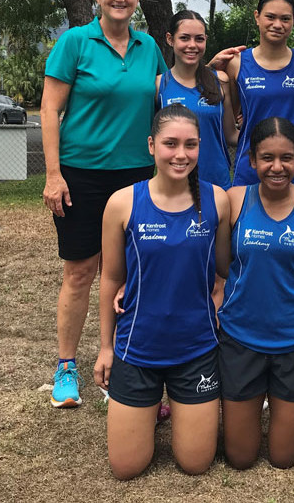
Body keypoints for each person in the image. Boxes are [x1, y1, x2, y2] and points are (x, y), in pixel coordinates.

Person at [40, 0, 167, 408]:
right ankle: (66, 369)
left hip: (135, 176)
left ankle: (124, 366)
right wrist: (54, 175)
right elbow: (49, 110)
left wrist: (210, 67)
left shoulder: (148, 45)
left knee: (132, 276)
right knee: (79, 272)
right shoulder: (75, 42)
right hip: (81, 174)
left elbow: (166, 91)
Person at [92, 104, 231, 479]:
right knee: (126, 468)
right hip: (138, 348)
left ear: (201, 147)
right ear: (152, 145)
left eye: (191, 144)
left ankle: (173, 409)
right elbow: (110, 280)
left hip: (196, 349)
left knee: (196, 463)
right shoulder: (122, 203)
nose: (181, 154)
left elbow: (224, 270)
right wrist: (106, 347)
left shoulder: (217, 200)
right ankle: (146, 408)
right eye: (171, 144)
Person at [218, 117, 294, 469]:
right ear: (251, 160)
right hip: (240, 335)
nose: (277, 167)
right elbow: (221, 265)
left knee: (283, 458)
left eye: (287, 158)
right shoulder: (234, 200)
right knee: (240, 457)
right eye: (267, 158)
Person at [210, 0, 294, 189]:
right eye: (270, 17)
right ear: (257, 17)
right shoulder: (237, 63)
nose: (277, 25)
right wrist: (208, 69)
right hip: (249, 166)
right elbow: (228, 116)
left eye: (285, 18)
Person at [157, 10, 238, 188]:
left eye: (199, 39)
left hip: (218, 185)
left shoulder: (220, 81)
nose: (192, 45)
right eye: (184, 38)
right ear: (170, 39)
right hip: (175, 187)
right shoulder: (158, 86)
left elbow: (231, 135)